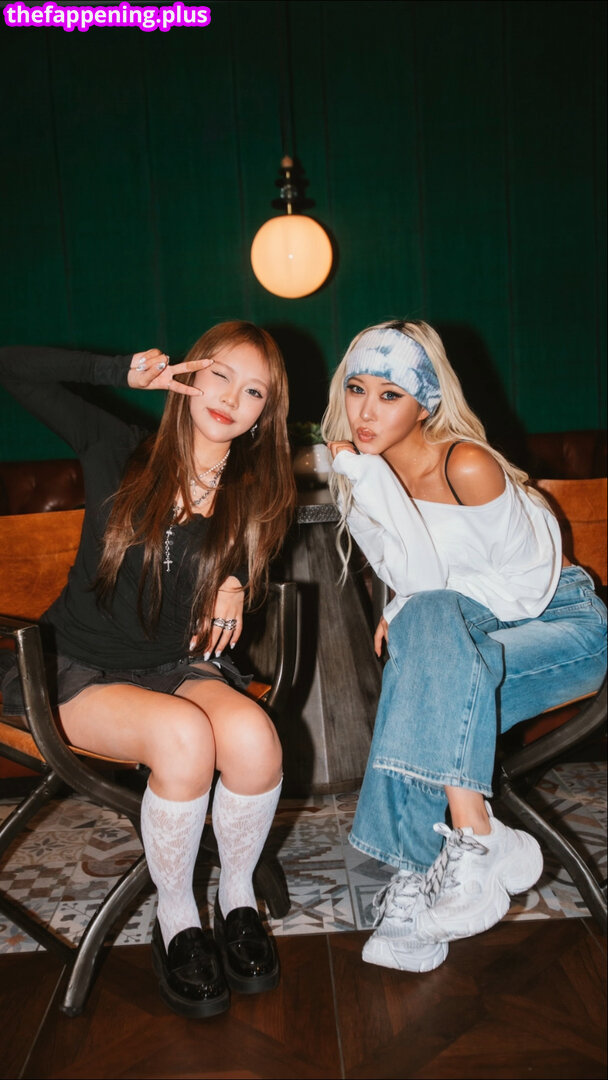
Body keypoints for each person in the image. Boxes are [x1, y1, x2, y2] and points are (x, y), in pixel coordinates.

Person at [0, 321, 296, 1016]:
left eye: (254, 391)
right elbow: (12, 364)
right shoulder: (117, 446)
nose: (231, 398)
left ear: (265, 414)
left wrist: (236, 580)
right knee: (183, 737)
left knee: (255, 737)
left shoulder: (258, 491)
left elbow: (234, 584)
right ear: (189, 374)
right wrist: (118, 371)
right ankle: (177, 918)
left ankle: (237, 901)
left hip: (175, 665)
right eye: (219, 374)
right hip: (78, 668)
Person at [322, 319, 606, 973]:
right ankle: (472, 838)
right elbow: (418, 578)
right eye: (357, 389)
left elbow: (528, 589)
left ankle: (421, 872)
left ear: (425, 402)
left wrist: (416, 612)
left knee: (425, 670)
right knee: (429, 662)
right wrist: (415, 605)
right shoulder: (363, 477)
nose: (365, 412)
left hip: (565, 627)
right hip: (467, 638)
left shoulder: (467, 464)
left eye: (389, 395)